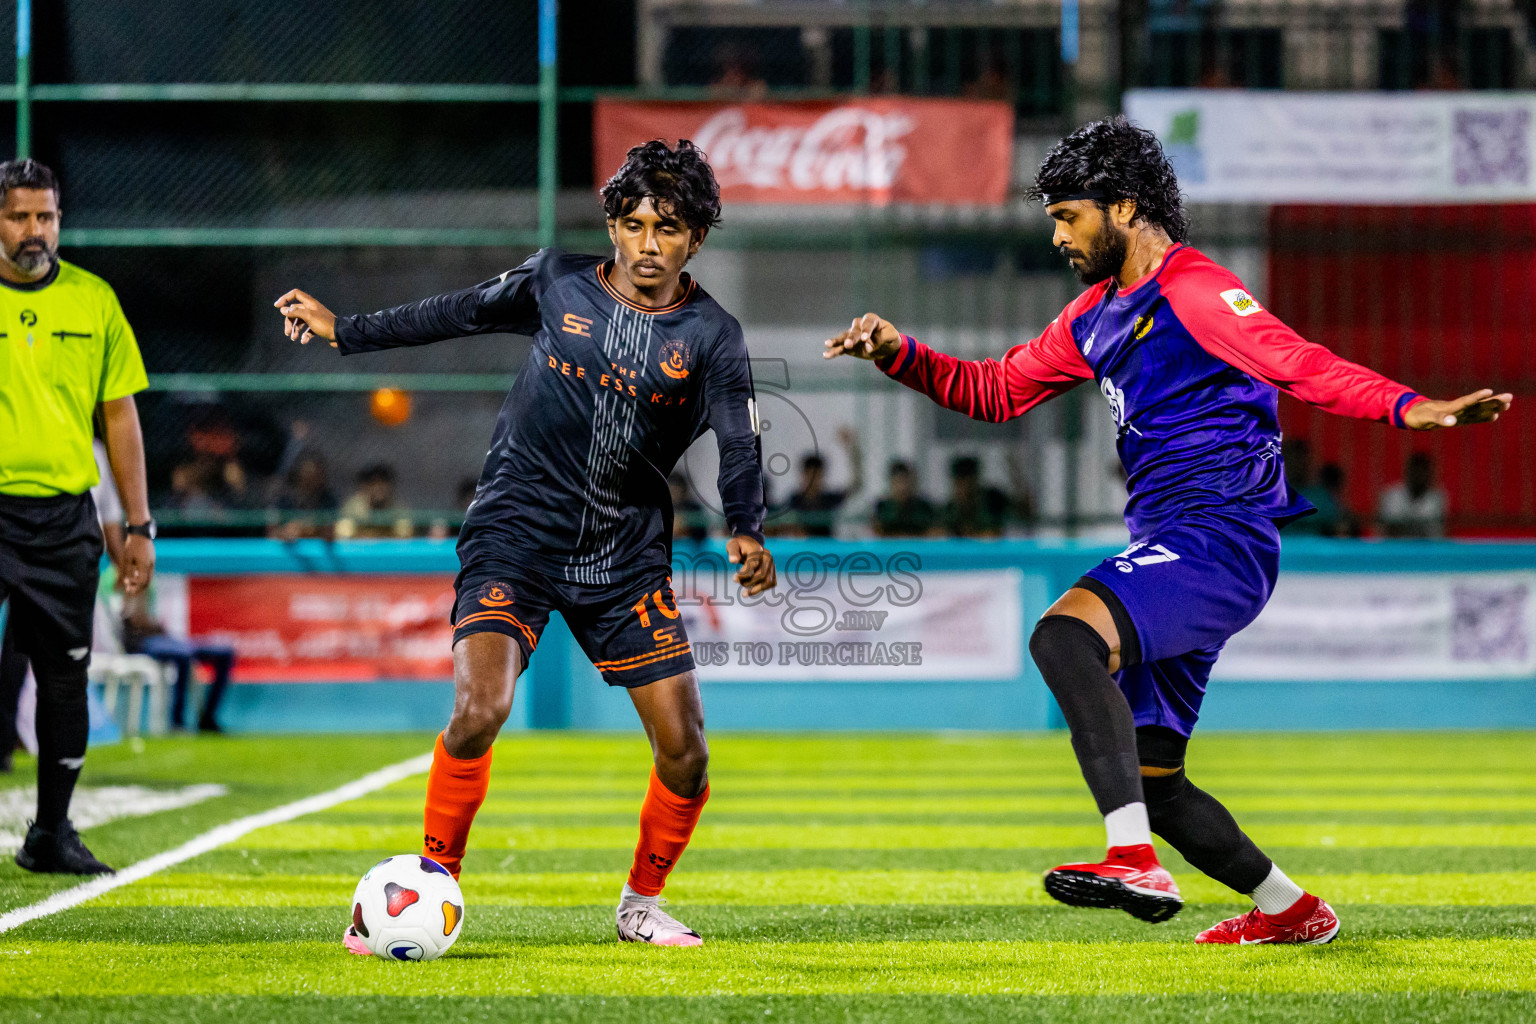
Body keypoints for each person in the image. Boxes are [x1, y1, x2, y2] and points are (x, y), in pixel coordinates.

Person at [823, 116, 1510, 945]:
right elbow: (996, 392)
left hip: (1222, 538)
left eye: (1066, 216)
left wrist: (1414, 407)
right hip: (1179, 539)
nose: (1056, 235)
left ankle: (1129, 857)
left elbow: (1301, 363)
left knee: (1062, 640)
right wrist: (901, 353)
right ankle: (1290, 909)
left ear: (1123, 207)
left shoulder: (1194, 291)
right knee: (1155, 777)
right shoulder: (1094, 315)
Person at [276, 139, 775, 950]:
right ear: (612, 223)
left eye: (671, 228)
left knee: (686, 756)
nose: (650, 244)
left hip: (624, 556)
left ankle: (639, 906)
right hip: (517, 531)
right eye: (636, 223)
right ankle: (433, 884)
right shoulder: (557, 281)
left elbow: (739, 440)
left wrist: (748, 526)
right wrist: (347, 332)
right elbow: (454, 311)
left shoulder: (714, 335)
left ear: (698, 239)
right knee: (481, 708)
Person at [0, 158, 156, 874]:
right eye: (19, 216)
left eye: (46, 216)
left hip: (65, 519)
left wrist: (139, 524)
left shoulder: (95, 301)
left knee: (66, 677)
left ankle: (51, 834)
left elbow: (119, 415)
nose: (35, 231)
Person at [785, 428, 863, 537]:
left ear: (822, 476)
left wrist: (851, 449)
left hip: (826, 550)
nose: (813, 481)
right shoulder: (794, 500)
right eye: (809, 475)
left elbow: (857, 484)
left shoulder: (829, 499)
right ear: (803, 475)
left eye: (816, 476)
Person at [1377, 451, 1446, 538]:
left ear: (1430, 474)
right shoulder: (1392, 495)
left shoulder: (1436, 498)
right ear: (1408, 472)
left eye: (1423, 471)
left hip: (1426, 548)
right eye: (1416, 470)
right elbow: (1387, 529)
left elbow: (1437, 532)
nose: (1419, 475)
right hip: (1395, 548)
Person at [940, 455, 1012, 538]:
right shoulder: (949, 510)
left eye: (969, 484)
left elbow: (1005, 530)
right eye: (960, 484)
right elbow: (938, 532)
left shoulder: (995, 501)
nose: (964, 490)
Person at [872, 460, 936, 538]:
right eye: (898, 482)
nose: (902, 488)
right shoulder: (882, 507)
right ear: (891, 483)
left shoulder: (923, 507)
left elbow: (934, 533)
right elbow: (876, 532)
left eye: (905, 481)